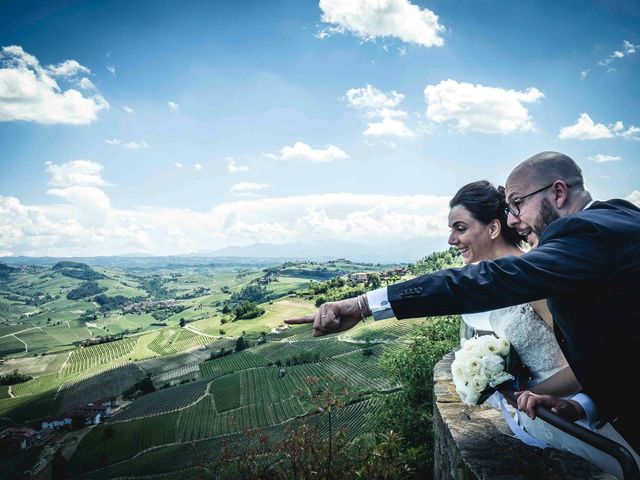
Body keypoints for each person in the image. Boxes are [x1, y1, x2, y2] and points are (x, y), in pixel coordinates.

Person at [285, 152, 640, 461]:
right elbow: (622, 350)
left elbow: (487, 280)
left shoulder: (583, 233)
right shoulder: (622, 217)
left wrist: (364, 304)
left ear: (558, 192)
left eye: (517, 204)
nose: (515, 218)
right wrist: (585, 405)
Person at [447, 180, 635, 478]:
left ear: (494, 229)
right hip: (538, 410)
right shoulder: (495, 282)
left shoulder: (535, 278)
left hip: (568, 408)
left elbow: (585, 364)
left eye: (460, 228)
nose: (451, 240)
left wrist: (528, 393)